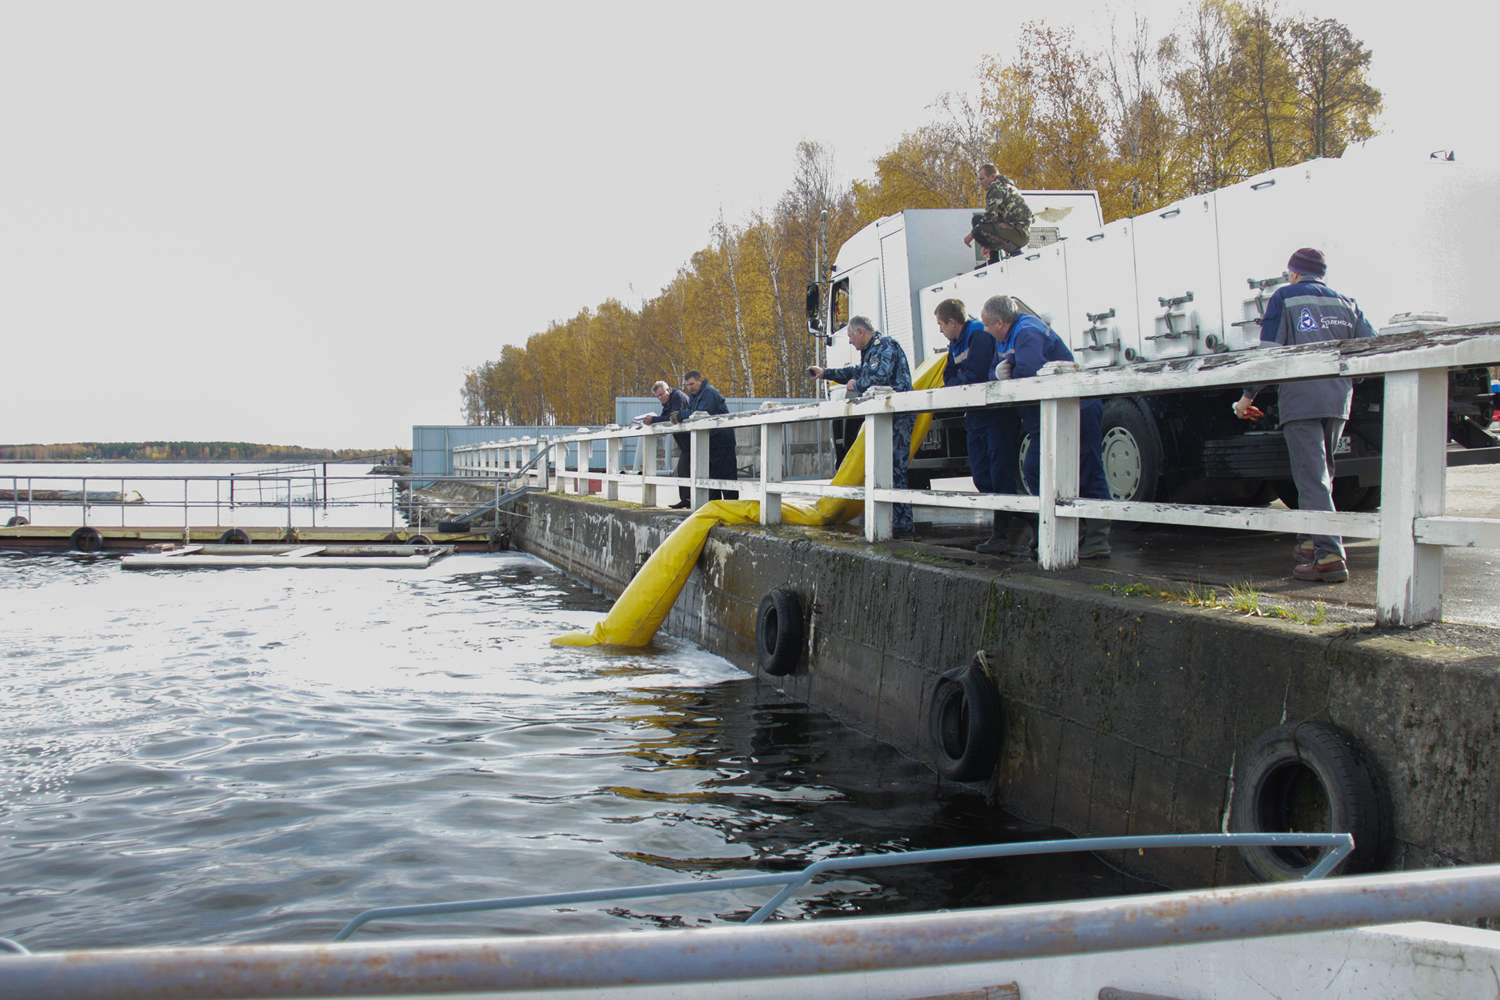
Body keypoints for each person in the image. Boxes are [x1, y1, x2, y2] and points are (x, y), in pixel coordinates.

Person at [1233, 248, 1375, 583]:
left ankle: (1328, 557)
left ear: (1294, 272)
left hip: (1301, 402)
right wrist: (1346, 382)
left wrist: (1247, 396)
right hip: (1338, 400)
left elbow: (1271, 355)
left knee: (1312, 478)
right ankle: (1311, 540)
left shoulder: (1285, 296)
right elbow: (1371, 348)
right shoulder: (1347, 302)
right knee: (1323, 473)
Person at [980, 295, 1111, 559]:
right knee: (1035, 471)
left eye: (987, 325)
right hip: (1046, 418)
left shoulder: (1028, 331)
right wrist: (998, 373)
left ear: (1000, 322)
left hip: (1076, 410)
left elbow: (1029, 369)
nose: (985, 330)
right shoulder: (1008, 337)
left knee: (1086, 470)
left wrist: (1008, 372)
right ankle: (1070, 529)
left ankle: (1096, 537)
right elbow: (995, 368)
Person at [807, 316, 916, 536]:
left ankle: (903, 524)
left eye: (849, 336)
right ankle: (895, 520)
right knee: (884, 467)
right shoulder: (872, 352)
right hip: (886, 416)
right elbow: (857, 371)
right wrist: (826, 373)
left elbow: (877, 378)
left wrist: (855, 385)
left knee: (895, 467)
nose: (849, 341)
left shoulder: (884, 346)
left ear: (860, 332)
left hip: (899, 415)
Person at [935, 298, 1017, 553]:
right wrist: (958, 381)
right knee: (982, 477)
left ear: (952, 322)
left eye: (941, 324)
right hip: (974, 417)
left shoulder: (978, 335)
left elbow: (977, 374)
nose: (940, 330)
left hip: (995, 416)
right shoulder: (954, 343)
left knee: (1000, 475)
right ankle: (1029, 522)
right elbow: (949, 375)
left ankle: (1004, 535)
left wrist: (959, 380)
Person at [681, 370, 739, 501]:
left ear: (700, 381)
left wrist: (680, 415)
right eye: (688, 385)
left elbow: (701, 413)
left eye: (692, 384)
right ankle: (715, 507)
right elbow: (692, 412)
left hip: (722, 441)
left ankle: (732, 508)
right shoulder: (694, 396)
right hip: (710, 442)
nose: (690, 387)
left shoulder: (709, 393)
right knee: (711, 477)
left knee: (727, 476)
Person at [963, 164, 1032, 265]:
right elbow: (996, 219)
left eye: (982, 179)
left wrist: (972, 235)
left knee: (977, 221)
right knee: (984, 226)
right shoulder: (1007, 186)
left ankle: (1000, 258)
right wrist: (988, 245)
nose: (980, 183)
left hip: (1017, 233)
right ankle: (996, 257)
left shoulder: (996, 187)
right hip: (1021, 233)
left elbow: (989, 217)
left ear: (993, 176)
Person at [639, 380, 692, 508]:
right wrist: (654, 421)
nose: (660, 398)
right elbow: (665, 417)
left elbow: (672, 417)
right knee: (683, 470)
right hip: (685, 444)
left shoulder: (677, 397)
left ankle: (690, 500)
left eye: (661, 394)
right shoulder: (668, 401)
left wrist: (653, 420)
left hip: (693, 441)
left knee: (687, 470)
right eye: (657, 396)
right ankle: (686, 500)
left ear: (668, 390)